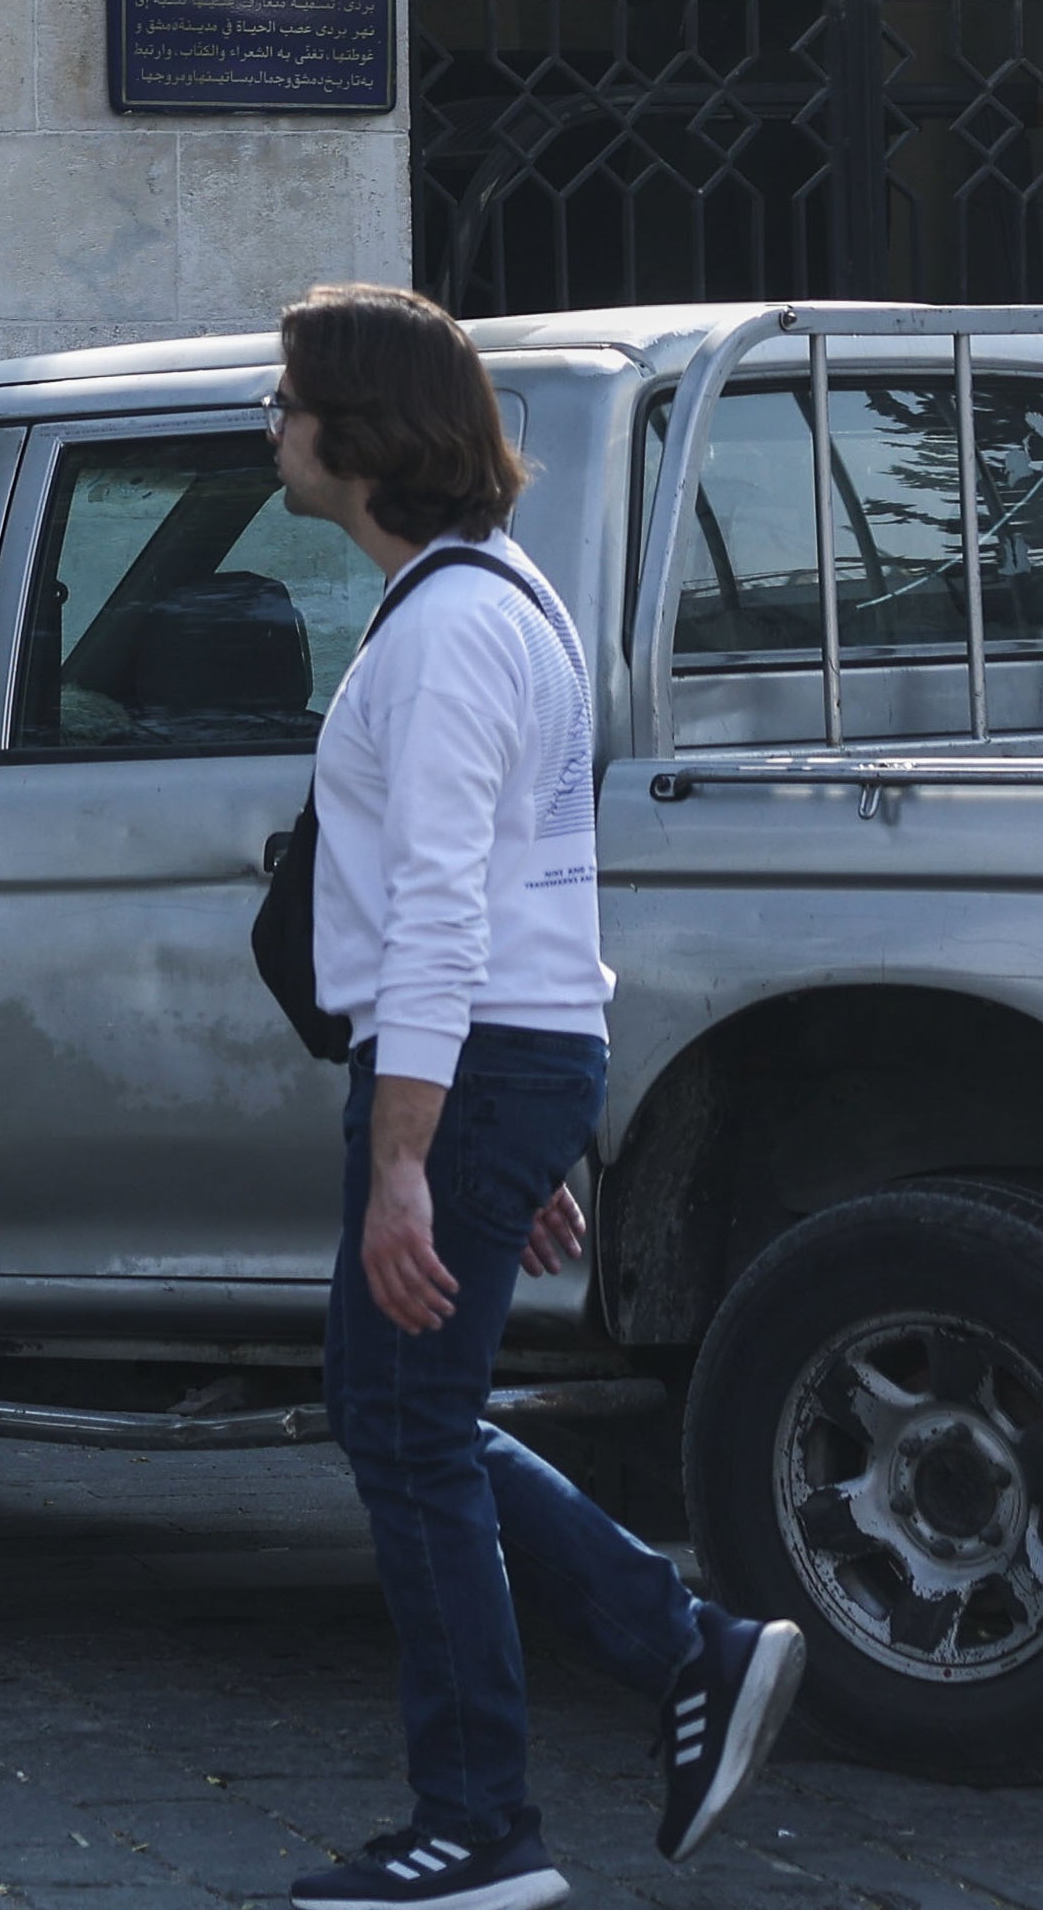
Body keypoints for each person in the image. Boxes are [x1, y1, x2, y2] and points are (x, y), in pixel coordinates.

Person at [263, 285, 804, 1910]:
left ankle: (482, 1820)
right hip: (511, 1055)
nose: (269, 426)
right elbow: (533, 890)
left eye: (286, 398)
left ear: (357, 431)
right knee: (401, 1414)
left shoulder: (441, 633)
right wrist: (518, 1136)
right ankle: (664, 1655)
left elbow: (442, 910)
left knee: (404, 1430)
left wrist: (412, 1165)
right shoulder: (500, 599)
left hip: (468, 1057)